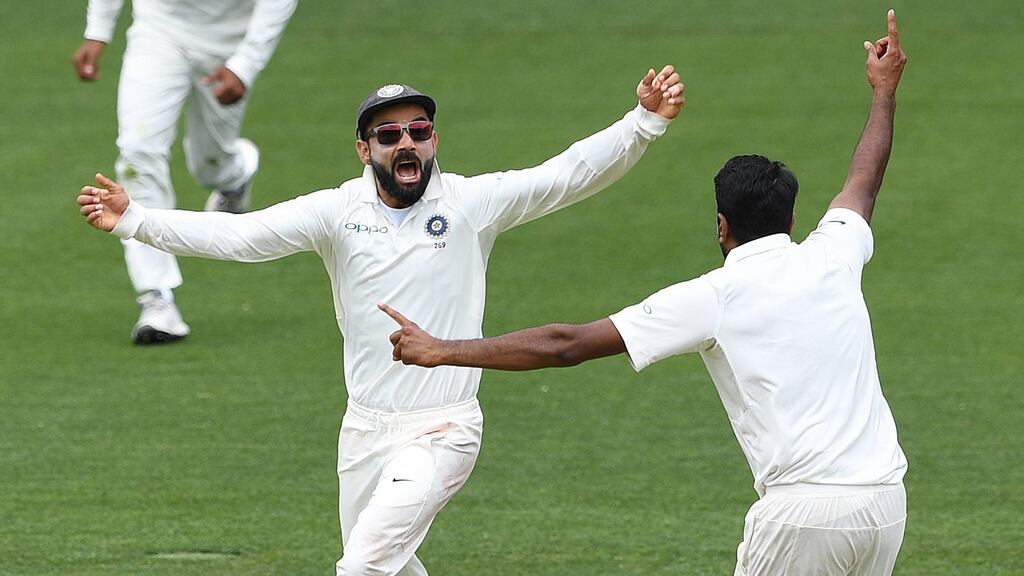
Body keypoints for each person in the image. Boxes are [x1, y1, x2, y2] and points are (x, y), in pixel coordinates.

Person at [78, 67, 685, 574]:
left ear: (434, 141)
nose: (406, 143)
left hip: (442, 427)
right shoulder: (339, 211)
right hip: (363, 430)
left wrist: (644, 123)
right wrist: (138, 221)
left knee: (362, 568)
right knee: (391, 567)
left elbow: (567, 174)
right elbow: (244, 235)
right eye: (389, 133)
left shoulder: (471, 204)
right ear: (365, 150)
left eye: (418, 131)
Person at [382, 11, 909, 576]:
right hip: (884, 501)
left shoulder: (715, 296)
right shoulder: (834, 253)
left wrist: (442, 350)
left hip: (804, 514)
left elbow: (567, 343)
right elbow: (863, 181)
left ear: (721, 226)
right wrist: (883, 91)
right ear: (794, 216)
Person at [73, 0, 298, 345]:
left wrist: (247, 63)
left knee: (211, 165)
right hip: (159, 29)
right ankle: (156, 297)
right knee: (137, 152)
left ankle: (234, 177)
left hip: (230, 41)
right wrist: (98, 30)